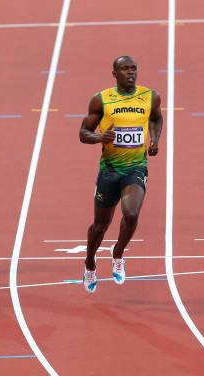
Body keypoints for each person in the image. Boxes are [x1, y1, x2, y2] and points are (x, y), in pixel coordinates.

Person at [79, 56, 163, 293]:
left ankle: (118, 254)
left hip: (135, 168)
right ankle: (90, 262)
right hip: (109, 171)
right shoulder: (101, 99)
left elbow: (156, 118)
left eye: (134, 69)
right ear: (114, 74)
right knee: (99, 226)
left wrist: (155, 139)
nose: (131, 73)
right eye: (125, 69)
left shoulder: (150, 97)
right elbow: (83, 132)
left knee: (132, 213)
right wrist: (99, 137)